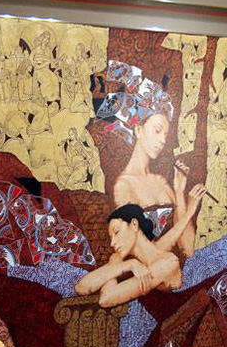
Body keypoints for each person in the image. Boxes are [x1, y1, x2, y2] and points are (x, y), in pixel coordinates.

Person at [97, 69, 208, 256]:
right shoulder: (123, 186)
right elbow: (147, 254)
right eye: (157, 131)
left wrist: (179, 191)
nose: (163, 140)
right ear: (138, 130)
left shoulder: (162, 182)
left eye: (165, 134)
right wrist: (189, 211)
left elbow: (188, 248)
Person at [74, 204, 181, 308]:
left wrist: (115, 264)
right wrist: (128, 264)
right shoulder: (129, 262)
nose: (112, 243)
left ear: (134, 225)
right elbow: (81, 288)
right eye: (111, 237)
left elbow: (106, 299)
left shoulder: (167, 263)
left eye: (117, 232)